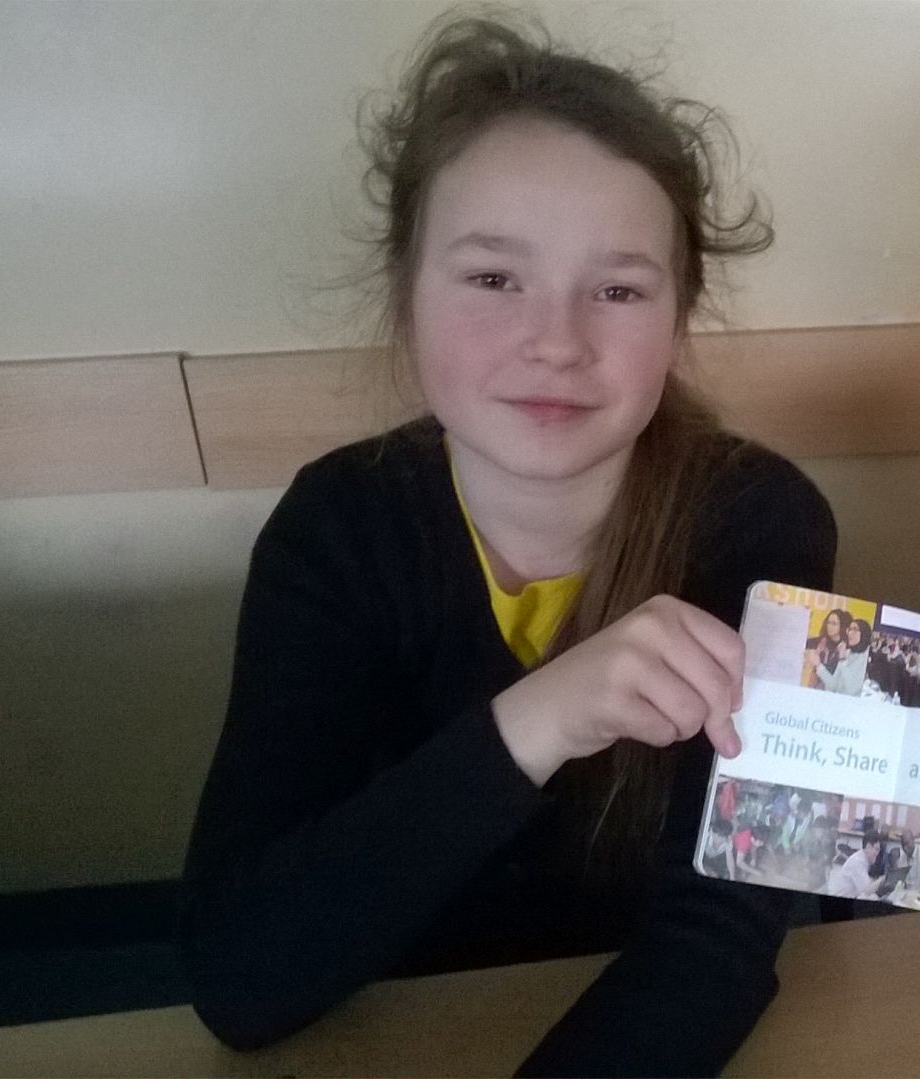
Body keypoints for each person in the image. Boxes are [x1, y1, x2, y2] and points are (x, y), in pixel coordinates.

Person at [178, 14, 836, 1076]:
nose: (557, 341)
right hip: (394, 1025)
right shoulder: (338, 530)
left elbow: (719, 932)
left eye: (618, 290)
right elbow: (240, 976)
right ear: (406, 290)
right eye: (493, 278)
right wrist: (539, 716)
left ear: (679, 317)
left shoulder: (761, 519)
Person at [814, 617, 872, 696]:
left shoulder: (865, 656)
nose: (850, 633)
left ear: (864, 633)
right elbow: (834, 686)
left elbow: (851, 689)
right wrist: (818, 665)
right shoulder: (847, 653)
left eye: (855, 629)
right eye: (849, 629)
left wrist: (842, 659)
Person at [821, 832, 884, 899]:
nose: (877, 853)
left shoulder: (862, 859)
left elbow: (866, 881)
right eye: (876, 849)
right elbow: (867, 890)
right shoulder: (858, 862)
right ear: (868, 846)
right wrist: (882, 879)